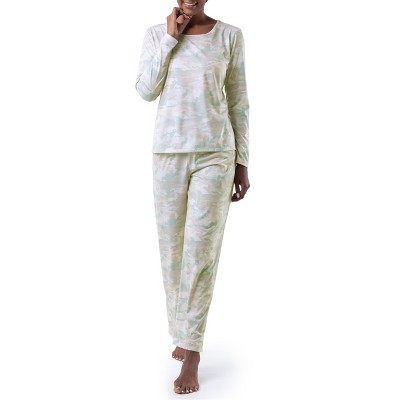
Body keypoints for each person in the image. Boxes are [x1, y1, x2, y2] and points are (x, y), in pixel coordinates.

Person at [135, 0, 250, 394]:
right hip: (168, 154)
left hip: (216, 155)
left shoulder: (230, 36)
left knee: (201, 252)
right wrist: (171, 37)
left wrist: (242, 161)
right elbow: (145, 90)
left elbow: (238, 100)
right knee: (173, 251)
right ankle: (181, 331)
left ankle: (193, 350)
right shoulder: (156, 34)